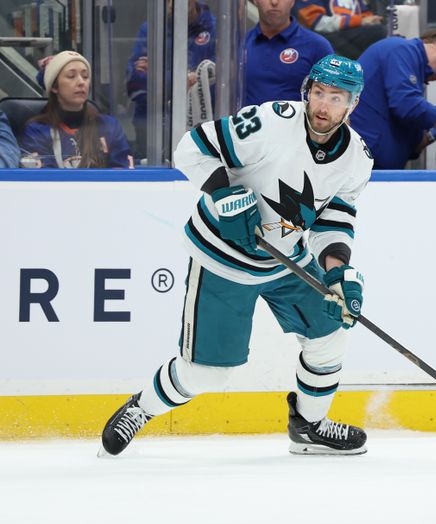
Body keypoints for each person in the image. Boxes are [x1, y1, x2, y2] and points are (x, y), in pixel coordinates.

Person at [100, 54, 374, 457]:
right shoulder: (271, 123)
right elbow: (191, 149)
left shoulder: (357, 159)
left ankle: (309, 425)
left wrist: (337, 272)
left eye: (336, 98)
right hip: (222, 256)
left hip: (287, 260)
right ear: (307, 91)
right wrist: (223, 192)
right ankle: (140, 409)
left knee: (330, 337)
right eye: (318, 93)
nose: (323, 106)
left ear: (353, 105)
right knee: (208, 374)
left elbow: (333, 220)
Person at [350, 29, 436, 169]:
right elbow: (407, 105)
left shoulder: (411, 65)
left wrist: (429, 135)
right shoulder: (402, 50)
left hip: (374, 165)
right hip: (364, 164)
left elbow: (408, 124)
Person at [127, 0, 217, 157]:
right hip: (153, 128)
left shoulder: (217, 28)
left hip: (204, 127)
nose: (171, 4)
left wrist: (157, 74)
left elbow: (220, 84)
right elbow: (135, 85)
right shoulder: (150, 29)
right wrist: (182, 81)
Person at [20, 51, 133, 169]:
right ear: (54, 87)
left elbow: (124, 174)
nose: (81, 82)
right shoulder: (38, 130)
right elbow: (43, 180)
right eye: (71, 76)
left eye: (85, 76)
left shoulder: (110, 126)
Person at [244, 0, 334, 106]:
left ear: (292, 2)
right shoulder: (239, 45)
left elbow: (334, 102)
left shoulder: (317, 46)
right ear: (255, 1)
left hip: (298, 122)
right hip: (247, 121)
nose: (274, 2)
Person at [292, 0, 385, 59]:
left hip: (354, 35)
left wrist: (374, 20)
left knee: (384, 33)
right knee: (378, 33)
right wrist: (359, 21)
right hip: (326, 36)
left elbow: (366, 17)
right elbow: (317, 23)